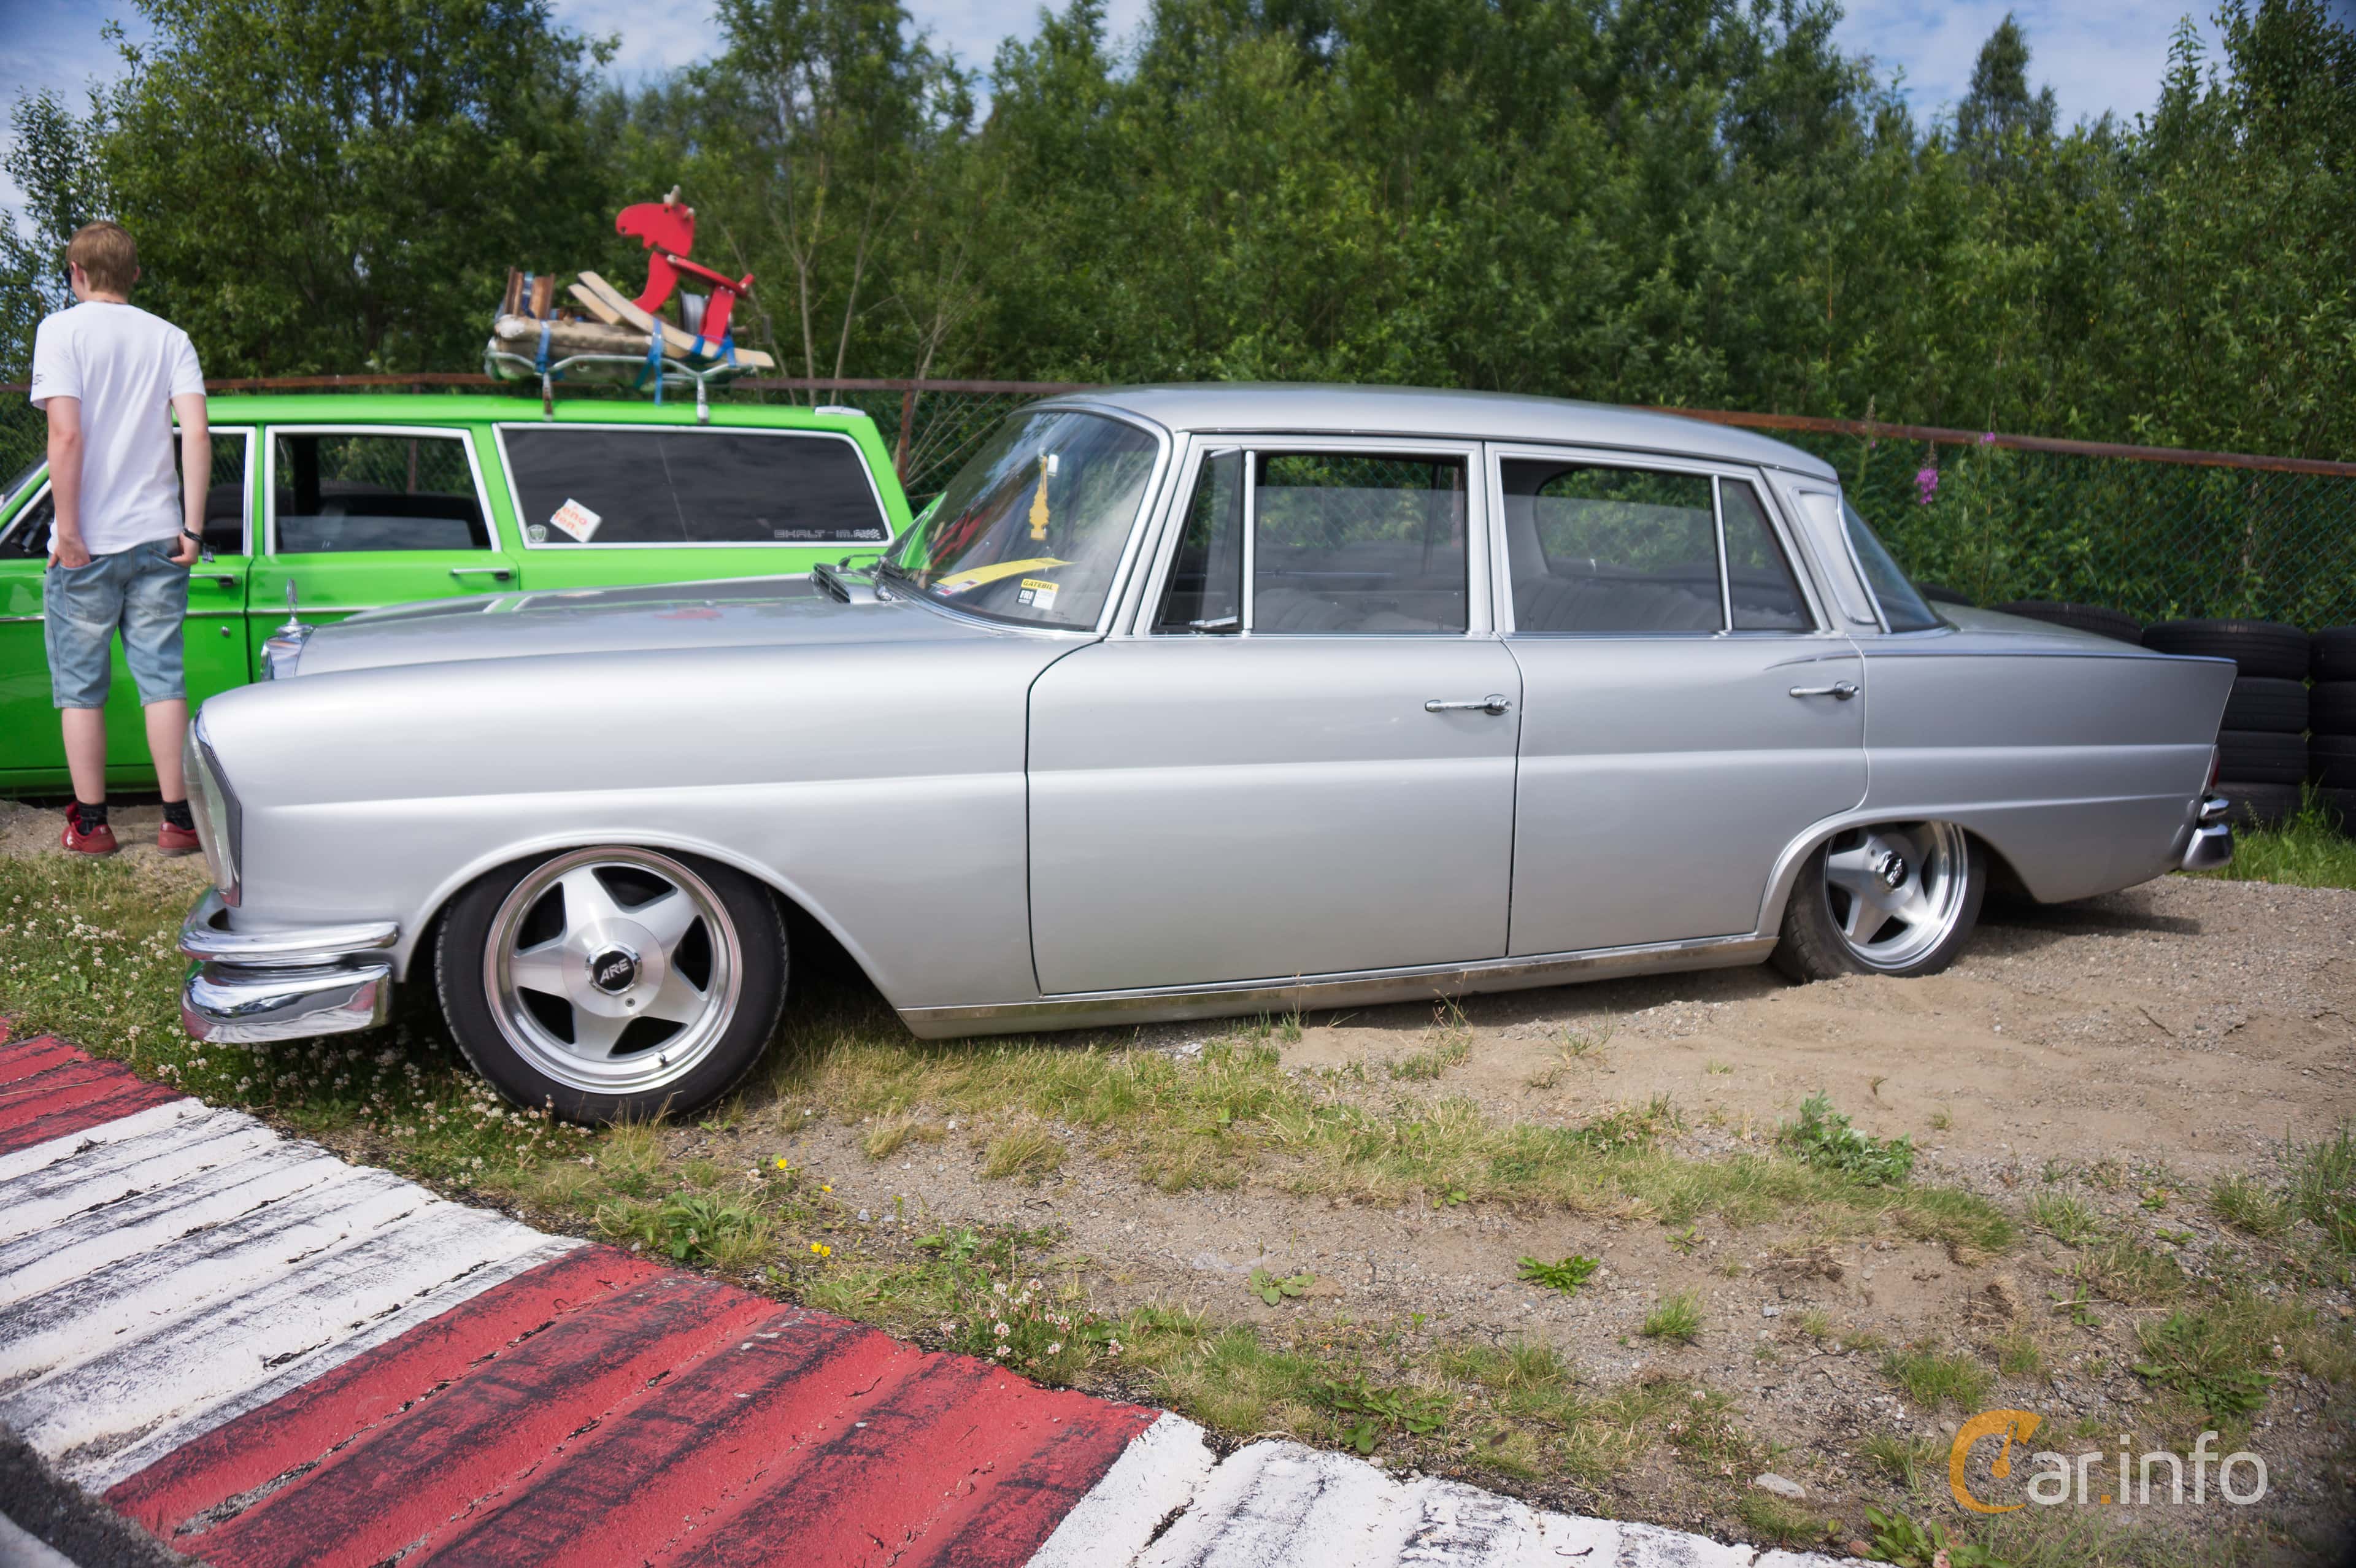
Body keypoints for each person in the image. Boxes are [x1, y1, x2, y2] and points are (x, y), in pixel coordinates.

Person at [30, 220, 209, 855]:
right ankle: (179, 820)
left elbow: (67, 436)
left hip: (90, 542)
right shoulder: (170, 337)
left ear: (76, 273)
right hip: (160, 537)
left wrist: (70, 531)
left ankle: (92, 825)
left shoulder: (60, 331)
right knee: (162, 677)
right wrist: (191, 527)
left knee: (80, 686)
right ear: (134, 274)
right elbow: (195, 432)